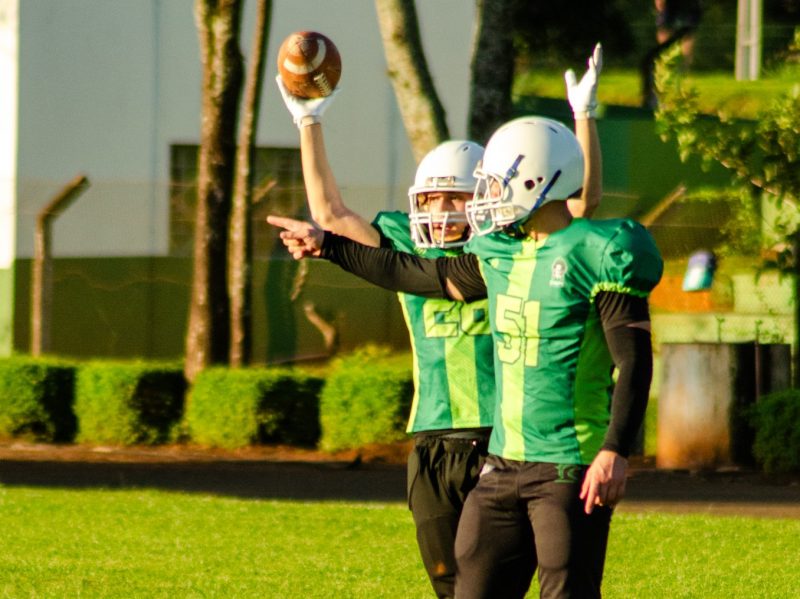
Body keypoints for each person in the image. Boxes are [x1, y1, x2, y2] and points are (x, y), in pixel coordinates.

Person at [270, 113, 663, 598]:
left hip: (569, 464)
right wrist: (328, 246)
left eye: (498, 184)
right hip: (502, 464)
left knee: (566, 591)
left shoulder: (598, 249)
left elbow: (635, 361)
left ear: (535, 180)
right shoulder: (499, 254)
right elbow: (416, 274)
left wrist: (614, 450)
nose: (489, 198)